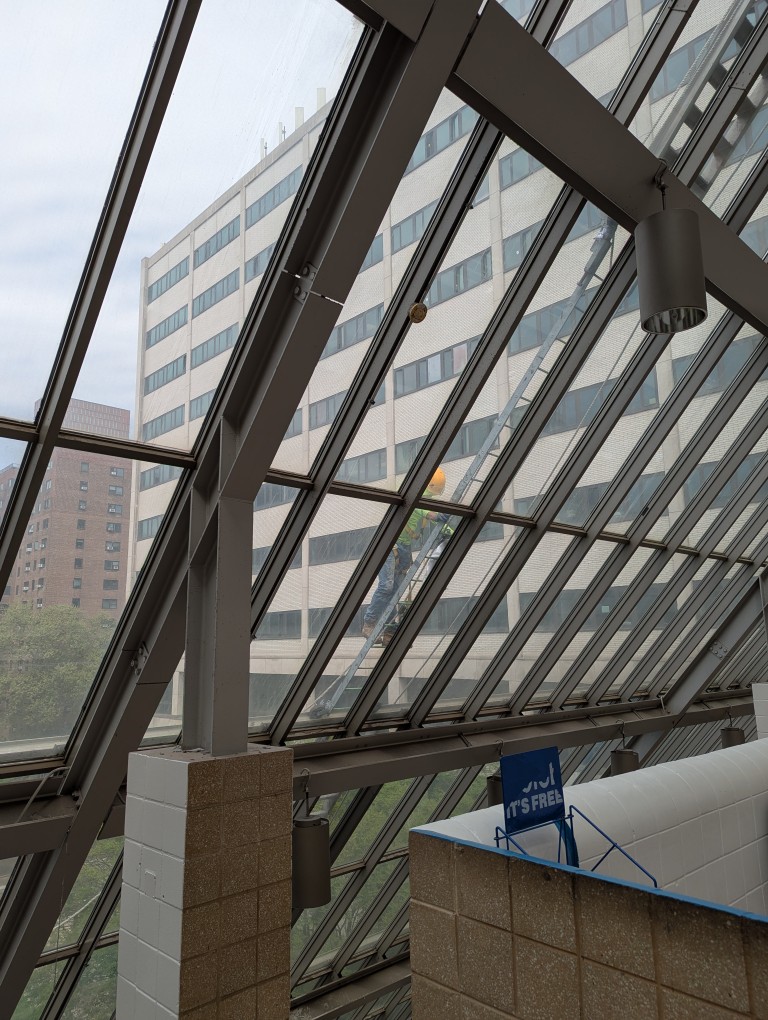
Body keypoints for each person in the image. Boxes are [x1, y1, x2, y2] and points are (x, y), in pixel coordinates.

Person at [362, 468, 451, 639]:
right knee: (386, 586)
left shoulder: (426, 500)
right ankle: (370, 622)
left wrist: (449, 530)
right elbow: (428, 513)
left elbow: (432, 519)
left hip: (404, 548)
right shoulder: (415, 497)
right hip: (390, 544)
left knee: (395, 591)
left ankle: (387, 629)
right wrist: (440, 516)